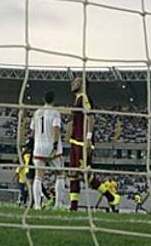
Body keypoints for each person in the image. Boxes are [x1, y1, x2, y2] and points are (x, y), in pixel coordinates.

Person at [30, 89, 63, 210]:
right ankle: (58, 204)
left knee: (38, 177)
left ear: (43, 99)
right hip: (51, 147)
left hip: (38, 147)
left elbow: (32, 132)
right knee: (60, 174)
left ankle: (37, 205)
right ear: (53, 100)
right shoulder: (55, 113)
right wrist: (55, 145)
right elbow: (56, 129)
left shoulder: (37, 113)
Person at [67, 75, 93, 211]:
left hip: (82, 142)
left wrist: (89, 137)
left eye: (76, 81)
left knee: (86, 175)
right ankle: (73, 207)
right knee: (73, 173)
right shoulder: (77, 99)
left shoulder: (84, 98)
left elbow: (91, 117)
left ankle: (111, 196)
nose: (73, 83)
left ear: (82, 84)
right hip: (75, 141)